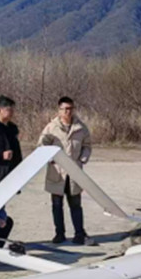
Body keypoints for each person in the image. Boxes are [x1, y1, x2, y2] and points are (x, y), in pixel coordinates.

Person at [38, 96, 94, 245]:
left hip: (74, 172)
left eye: (70, 108)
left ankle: (79, 233)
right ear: (59, 110)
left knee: (76, 204)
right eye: (65, 109)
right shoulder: (51, 127)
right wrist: (49, 157)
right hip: (57, 172)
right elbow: (42, 144)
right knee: (57, 205)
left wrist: (83, 158)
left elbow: (87, 146)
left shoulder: (81, 127)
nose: (68, 112)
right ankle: (59, 233)